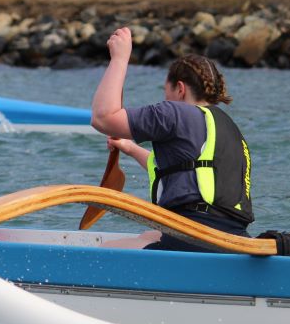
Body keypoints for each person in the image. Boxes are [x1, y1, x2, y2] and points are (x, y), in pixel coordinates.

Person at [90, 27, 253, 252]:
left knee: (105, 250)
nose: (164, 99)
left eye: (165, 91)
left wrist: (120, 59)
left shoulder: (174, 113)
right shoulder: (227, 127)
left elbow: (103, 118)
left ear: (180, 89)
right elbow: (184, 169)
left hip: (196, 237)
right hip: (231, 238)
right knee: (148, 234)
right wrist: (129, 147)